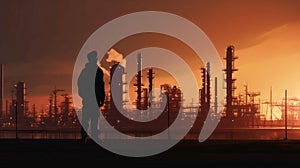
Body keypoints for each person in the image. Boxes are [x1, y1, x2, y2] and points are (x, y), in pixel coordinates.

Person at [77, 50, 105, 143]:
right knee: (94, 119)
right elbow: (101, 86)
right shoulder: (98, 71)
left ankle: (84, 137)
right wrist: (102, 99)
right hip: (94, 99)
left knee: (87, 119)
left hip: (88, 99)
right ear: (94, 59)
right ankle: (94, 137)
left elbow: (80, 83)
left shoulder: (85, 71)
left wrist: (83, 95)